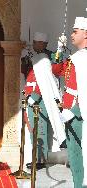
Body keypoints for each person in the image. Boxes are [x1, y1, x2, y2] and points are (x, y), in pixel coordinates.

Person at [20, 32, 66, 170]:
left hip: (42, 96)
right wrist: (25, 58)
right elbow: (25, 72)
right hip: (30, 95)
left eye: (37, 42)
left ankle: (40, 159)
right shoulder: (31, 55)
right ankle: (35, 157)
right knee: (32, 129)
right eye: (34, 42)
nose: (35, 45)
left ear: (44, 44)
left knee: (40, 129)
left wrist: (60, 51)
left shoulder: (51, 56)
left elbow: (57, 71)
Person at [52, 17, 87, 188]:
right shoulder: (75, 57)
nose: (71, 34)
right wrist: (59, 49)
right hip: (70, 114)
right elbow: (57, 70)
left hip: (80, 115)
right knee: (75, 156)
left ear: (86, 34)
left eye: (75, 31)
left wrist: (75, 111)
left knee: (82, 155)